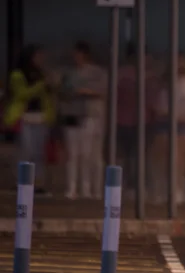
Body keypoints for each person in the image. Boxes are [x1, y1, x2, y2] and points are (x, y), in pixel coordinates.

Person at [149, 53, 185, 204]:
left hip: (184, 125)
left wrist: (183, 115)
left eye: (182, 63)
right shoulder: (164, 83)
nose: (179, 66)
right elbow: (158, 104)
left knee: (181, 160)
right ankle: (163, 191)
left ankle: (181, 190)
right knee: (162, 159)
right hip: (164, 123)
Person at [3, 45, 55, 195]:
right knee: (26, 151)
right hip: (24, 117)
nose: (41, 59)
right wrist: (41, 85)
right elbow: (22, 94)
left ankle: (38, 183)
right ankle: (21, 181)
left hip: (41, 117)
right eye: (38, 56)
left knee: (39, 152)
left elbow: (48, 96)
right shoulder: (18, 75)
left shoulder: (42, 74)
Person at [62, 41, 108, 199]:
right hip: (72, 115)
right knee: (73, 154)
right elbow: (63, 92)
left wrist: (85, 91)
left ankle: (89, 189)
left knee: (89, 154)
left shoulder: (97, 72)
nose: (76, 57)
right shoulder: (69, 73)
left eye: (79, 54)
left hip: (91, 115)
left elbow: (104, 91)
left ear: (86, 55)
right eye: (75, 54)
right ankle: (72, 188)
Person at [116, 45, 159, 199]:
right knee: (136, 156)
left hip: (136, 121)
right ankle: (136, 187)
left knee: (134, 156)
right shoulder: (143, 76)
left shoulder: (122, 75)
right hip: (136, 121)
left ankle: (135, 186)